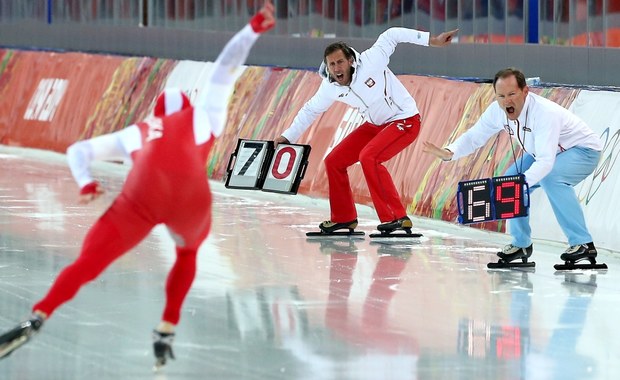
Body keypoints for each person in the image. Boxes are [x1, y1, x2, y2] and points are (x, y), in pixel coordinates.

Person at [0, 1, 275, 367]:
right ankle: (167, 325)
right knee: (187, 253)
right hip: (190, 199)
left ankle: (40, 314)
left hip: (141, 197)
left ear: (157, 113)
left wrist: (85, 184)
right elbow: (225, 69)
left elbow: (78, 151)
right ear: (184, 107)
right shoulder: (203, 116)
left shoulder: (138, 131)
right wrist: (253, 27)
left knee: (88, 263)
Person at [275, 26, 458, 234]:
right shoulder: (329, 86)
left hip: (405, 120)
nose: (336, 69)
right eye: (332, 64)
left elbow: (392, 34)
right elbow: (310, 110)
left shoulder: (372, 61)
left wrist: (431, 40)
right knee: (334, 161)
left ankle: (397, 217)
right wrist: (287, 136)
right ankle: (344, 218)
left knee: (369, 156)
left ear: (351, 61)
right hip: (376, 125)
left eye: (340, 62)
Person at [423, 67, 603, 264]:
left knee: (551, 178)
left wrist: (518, 185)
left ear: (525, 92)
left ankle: (583, 243)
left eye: (512, 94)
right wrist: (450, 152)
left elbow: (545, 162)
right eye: (501, 96)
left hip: (583, 150)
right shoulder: (497, 111)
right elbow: (475, 136)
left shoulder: (544, 113)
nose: (506, 101)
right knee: (507, 182)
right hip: (544, 153)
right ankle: (521, 244)